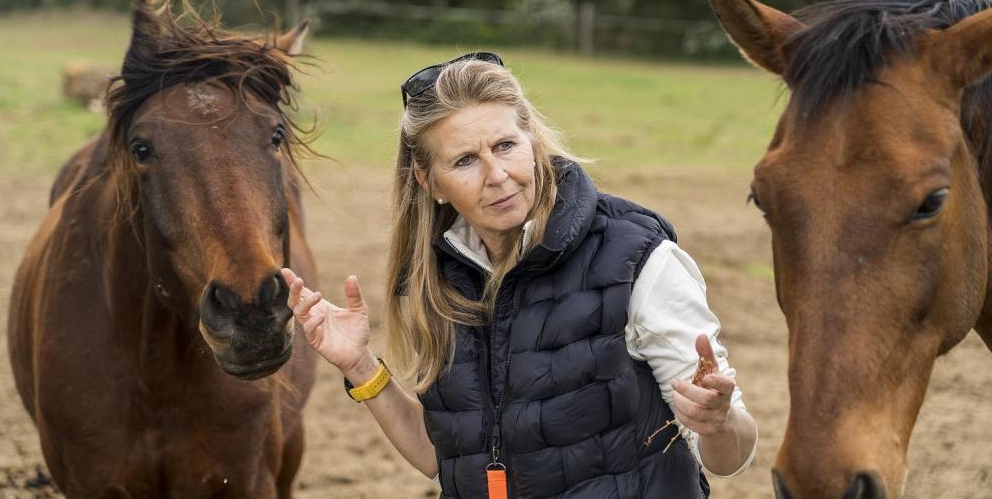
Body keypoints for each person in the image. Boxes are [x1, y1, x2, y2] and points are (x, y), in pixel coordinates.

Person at [283, 52, 758, 498]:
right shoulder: (436, 280)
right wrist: (361, 367)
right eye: (465, 160)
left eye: (506, 145)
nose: (497, 174)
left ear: (532, 143)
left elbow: (729, 457)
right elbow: (442, 459)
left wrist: (716, 423)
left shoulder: (638, 258)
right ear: (430, 183)